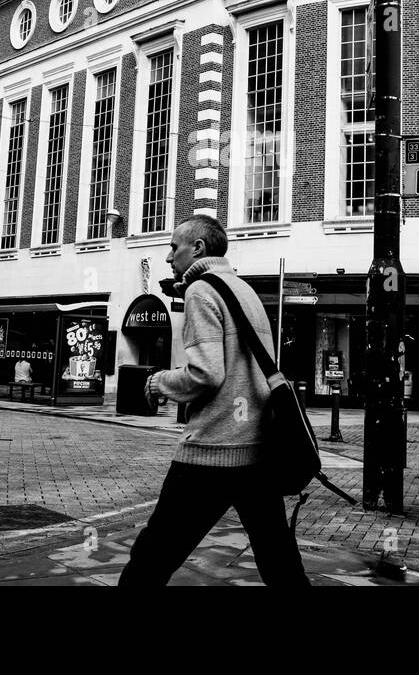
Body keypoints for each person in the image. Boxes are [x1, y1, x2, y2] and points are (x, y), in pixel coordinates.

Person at [119, 214, 309, 587]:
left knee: (152, 556)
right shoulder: (243, 288)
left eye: (175, 247)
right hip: (257, 447)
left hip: (213, 449)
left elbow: (206, 373)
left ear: (198, 249)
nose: (169, 256)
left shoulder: (200, 291)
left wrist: (158, 382)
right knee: (279, 559)